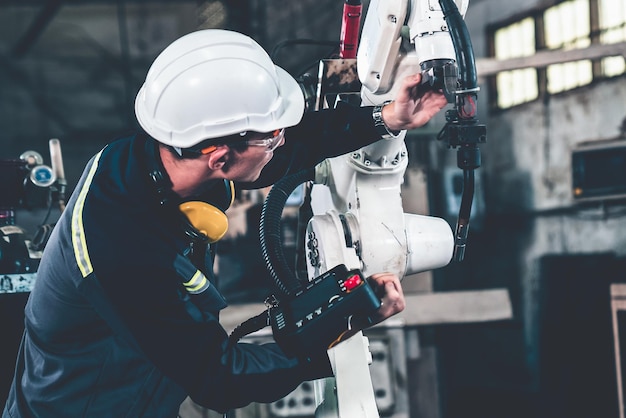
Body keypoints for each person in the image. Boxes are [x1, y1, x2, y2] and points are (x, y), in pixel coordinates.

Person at [3, 29, 447, 417]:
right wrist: (334, 340)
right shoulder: (120, 249)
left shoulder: (157, 158)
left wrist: (386, 118)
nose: (281, 140)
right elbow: (220, 379)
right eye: (271, 134)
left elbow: (279, 155)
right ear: (219, 157)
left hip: (140, 397)